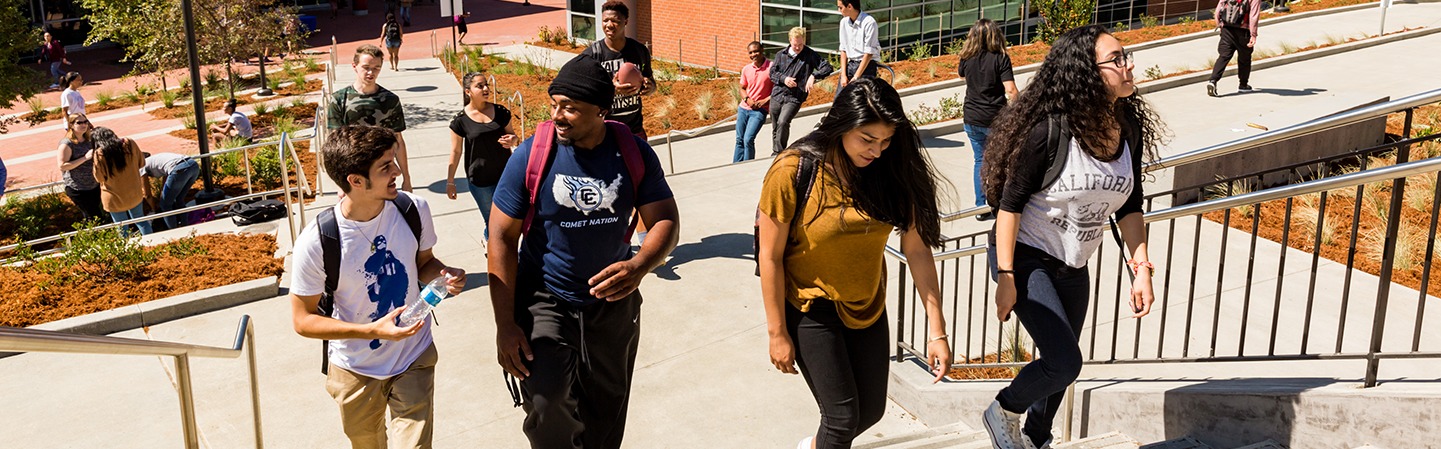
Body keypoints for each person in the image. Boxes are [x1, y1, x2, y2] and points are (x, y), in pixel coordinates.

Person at [977, 25, 1162, 449]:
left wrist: (1142, 269)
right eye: (1116, 59)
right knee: (1064, 362)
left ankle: (1036, 438)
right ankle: (1003, 409)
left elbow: (1131, 204)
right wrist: (1006, 276)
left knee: (1059, 365)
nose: (1128, 64)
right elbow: (1010, 205)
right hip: (1025, 257)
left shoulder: (1125, 126)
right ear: (1086, 72)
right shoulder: (1049, 131)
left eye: (1126, 55)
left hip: (1073, 264)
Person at [488, 54, 679, 449]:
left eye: (571, 108)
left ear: (603, 111)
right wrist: (506, 325)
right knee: (548, 398)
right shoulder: (532, 155)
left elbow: (665, 219)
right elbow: (501, 239)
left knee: (607, 406)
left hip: (612, 302)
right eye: (554, 103)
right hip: (545, 296)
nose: (558, 115)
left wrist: (640, 265)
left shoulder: (633, 153)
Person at [757, 78, 951, 449]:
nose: (877, 151)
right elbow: (769, 255)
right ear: (843, 124)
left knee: (871, 412)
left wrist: (937, 330)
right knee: (842, 419)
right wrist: (777, 332)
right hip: (810, 306)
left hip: (866, 304)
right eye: (867, 139)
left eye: (886, 140)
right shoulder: (793, 171)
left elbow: (917, 249)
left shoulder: (891, 171)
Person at [289, 125, 466, 449]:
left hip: (414, 355)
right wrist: (373, 331)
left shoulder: (413, 209)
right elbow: (303, 320)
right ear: (355, 181)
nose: (398, 170)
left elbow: (423, 261)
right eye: (386, 167)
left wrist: (444, 274)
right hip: (355, 369)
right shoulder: (317, 242)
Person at [957, 19, 1019, 221]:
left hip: (972, 117)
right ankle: (1001, 203)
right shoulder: (1000, 58)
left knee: (980, 160)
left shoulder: (966, 57)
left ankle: (980, 206)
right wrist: (1020, 110)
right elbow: (1010, 89)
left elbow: (961, 76)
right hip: (995, 118)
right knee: (1002, 161)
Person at [328, 45, 413, 192]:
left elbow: (398, 140)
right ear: (354, 66)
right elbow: (334, 146)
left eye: (376, 68)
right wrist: (340, 185)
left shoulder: (390, 100)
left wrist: (407, 178)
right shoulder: (339, 100)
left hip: (382, 172)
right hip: (353, 174)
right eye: (366, 67)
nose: (370, 72)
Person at [447, 71, 519, 241]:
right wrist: (450, 181)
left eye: (486, 84)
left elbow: (514, 136)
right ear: (468, 91)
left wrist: (513, 140)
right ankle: (491, 245)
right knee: (491, 220)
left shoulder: (501, 112)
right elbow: (456, 152)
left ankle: (496, 244)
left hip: (505, 175)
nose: (486, 88)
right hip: (480, 181)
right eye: (480, 86)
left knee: (510, 218)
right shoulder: (460, 121)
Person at [580, 0, 655, 140]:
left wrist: (649, 87)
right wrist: (613, 91)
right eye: (605, 20)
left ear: (626, 21)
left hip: (634, 130)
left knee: (639, 163)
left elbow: (651, 82)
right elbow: (583, 94)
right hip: (604, 133)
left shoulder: (639, 51)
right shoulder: (592, 55)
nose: (609, 25)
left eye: (615, 21)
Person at [769, 27, 834, 156]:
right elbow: (772, 73)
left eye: (800, 44)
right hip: (777, 94)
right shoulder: (780, 55)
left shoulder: (809, 54)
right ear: (790, 41)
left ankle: (778, 152)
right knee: (776, 125)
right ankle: (775, 151)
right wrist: (784, 79)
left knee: (783, 122)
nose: (798, 47)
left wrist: (814, 75)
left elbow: (827, 67)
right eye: (795, 45)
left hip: (795, 96)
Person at [91, 127, 152, 236]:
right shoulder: (130, 144)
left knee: (121, 228)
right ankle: (151, 244)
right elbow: (141, 163)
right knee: (142, 222)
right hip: (134, 194)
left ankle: (126, 251)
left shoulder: (99, 154)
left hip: (113, 198)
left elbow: (99, 178)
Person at [57, 113, 107, 222]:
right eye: (79, 122)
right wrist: (84, 158)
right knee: (94, 217)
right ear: (71, 125)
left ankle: (92, 236)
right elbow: (62, 166)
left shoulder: (90, 139)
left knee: (93, 216)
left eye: (85, 122)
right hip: (77, 188)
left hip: (94, 185)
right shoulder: (67, 144)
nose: (84, 125)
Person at [1207, 0, 1262, 96]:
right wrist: (1253, 35)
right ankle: (1243, 85)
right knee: (1245, 58)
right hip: (1243, 31)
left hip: (1227, 29)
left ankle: (1213, 80)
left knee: (1224, 56)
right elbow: (1253, 16)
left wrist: (1220, 26)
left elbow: (1218, 9)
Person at [733, 41, 774, 163]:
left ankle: (747, 165)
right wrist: (747, 99)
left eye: (756, 51)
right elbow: (742, 88)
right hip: (743, 109)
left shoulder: (771, 67)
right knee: (739, 139)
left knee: (748, 139)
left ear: (762, 51)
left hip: (759, 111)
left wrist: (765, 101)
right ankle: (735, 166)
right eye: (750, 52)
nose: (753, 54)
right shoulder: (746, 69)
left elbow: (779, 89)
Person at [141, 152, 201, 230]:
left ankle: (173, 232)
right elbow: (166, 180)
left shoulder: (141, 166)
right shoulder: (156, 160)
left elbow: (147, 195)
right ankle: (186, 227)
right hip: (193, 165)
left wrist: (154, 209)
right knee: (179, 199)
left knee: (165, 205)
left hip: (180, 169)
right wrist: (162, 197)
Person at [836, 0, 880, 94]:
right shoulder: (843, 22)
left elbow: (869, 53)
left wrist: (856, 77)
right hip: (850, 65)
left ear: (849, 6)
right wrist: (843, 75)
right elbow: (843, 49)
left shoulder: (869, 22)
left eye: (840, 7)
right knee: (839, 101)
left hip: (867, 67)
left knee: (860, 102)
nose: (839, 10)